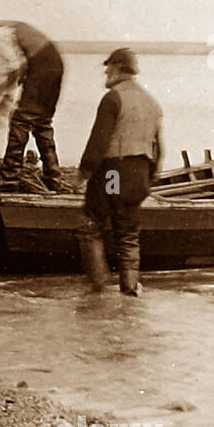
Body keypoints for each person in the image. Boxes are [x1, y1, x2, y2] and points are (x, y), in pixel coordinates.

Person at [77, 49, 164, 296]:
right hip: (139, 175)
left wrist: (83, 173)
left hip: (113, 173)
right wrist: (151, 176)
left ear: (118, 67)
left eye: (108, 66)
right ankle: (130, 289)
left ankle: (97, 289)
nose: (106, 71)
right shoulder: (152, 103)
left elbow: (98, 141)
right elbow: (159, 147)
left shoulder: (113, 98)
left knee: (91, 224)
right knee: (127, 234)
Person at [0, 5, 66, 192]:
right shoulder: (4, 29)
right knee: (42, 121)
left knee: (20, 122)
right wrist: (5, 93)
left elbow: (15, 68)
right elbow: (16, 68)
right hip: (54, 64)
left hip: (41, 66)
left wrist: (0, 95)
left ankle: (9, 178)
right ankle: (53, 177)